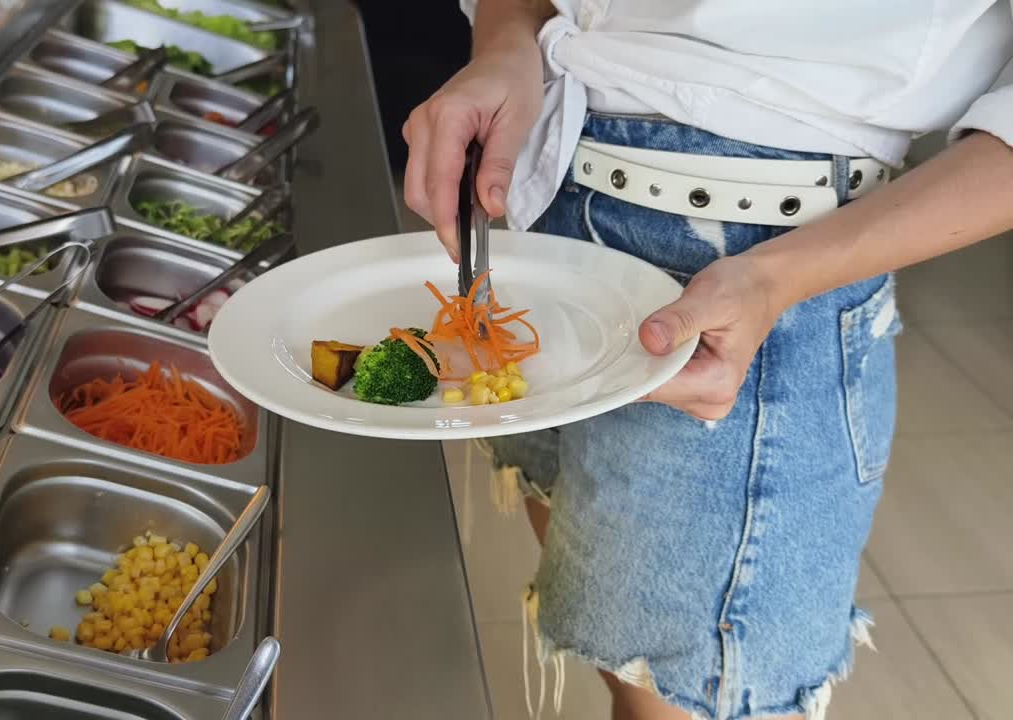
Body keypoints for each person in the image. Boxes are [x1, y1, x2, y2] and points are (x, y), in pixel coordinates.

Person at [401, 2, 1013, 720]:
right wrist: (504, 46)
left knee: (672, 700)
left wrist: (775, 279)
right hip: (558, 214)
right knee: (606, 630)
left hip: (760, 267)